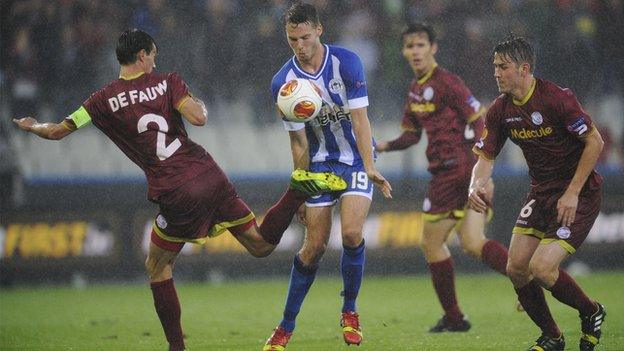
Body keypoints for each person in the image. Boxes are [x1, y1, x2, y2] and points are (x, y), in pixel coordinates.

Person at [12, 28, 348, 351]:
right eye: (153, 56)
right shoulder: (167, 82)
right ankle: (296, 191)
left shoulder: (100, 101)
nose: (155, 63)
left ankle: (176, 346)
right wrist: (196, 102)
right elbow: (198, 118)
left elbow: (57, 131)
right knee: (260, 245)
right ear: (142, 55)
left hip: (175, 190)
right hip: (208, 172)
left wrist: (33, 126)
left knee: (157, 266)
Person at [263, 3, 392, 350]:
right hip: (319, 165)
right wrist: (300, 190)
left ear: (319, 30)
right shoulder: (283, 83)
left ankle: (349, 310)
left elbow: (361, 121)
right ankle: (285, 326)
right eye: (293, 40)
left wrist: (369, 165)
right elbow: (298, 141)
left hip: (354, 161)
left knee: (351, 233)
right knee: (313, 248)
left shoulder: (346, 62)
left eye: (305, 37)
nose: (300, 45)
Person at [469, 34, 606, 351]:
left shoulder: (556, 99)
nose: (496, 73)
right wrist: (475, 184)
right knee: (516, 268)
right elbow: (485, 158)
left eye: (503, 67)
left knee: (542, 269)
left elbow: (595, 142)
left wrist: (572, 192)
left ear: (524, 68)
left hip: (578, 193)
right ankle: (553, 338)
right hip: (541, 193)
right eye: (495, 67)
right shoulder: (500, 110)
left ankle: (592, 312)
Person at [376, 23, 510, 333]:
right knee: (474, 242)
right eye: (410, 46)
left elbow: (480, 120)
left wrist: (482, 168)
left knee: (431, 242)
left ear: (433, 48)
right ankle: (526, 277)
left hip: (455, 170)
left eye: (421, 45)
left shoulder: (448, 82)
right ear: (403, 51)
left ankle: (454, 315)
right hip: (456, 171)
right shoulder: (415, 89)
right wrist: (381, 146)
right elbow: (411, 136)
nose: (415, 51)